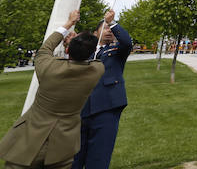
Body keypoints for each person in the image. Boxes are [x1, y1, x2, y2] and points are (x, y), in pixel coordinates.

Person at [0, 10, 104, 169]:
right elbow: (92, 55)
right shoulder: (97, 70)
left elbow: (45, 49)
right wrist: (78, 43)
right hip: (63, 146)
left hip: (28, 140)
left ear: (67, 50)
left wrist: (68, 24)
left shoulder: (48, 67)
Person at [72, 9, 133, 169]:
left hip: (106, 108)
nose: (109, 31)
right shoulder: (84, 51)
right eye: (105, 27)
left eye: (111, 29)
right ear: (95, 33)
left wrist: (112, 22)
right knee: (74, 157)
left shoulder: (116, 51)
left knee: (98, 158)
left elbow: (127, 42)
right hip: (80, 109)